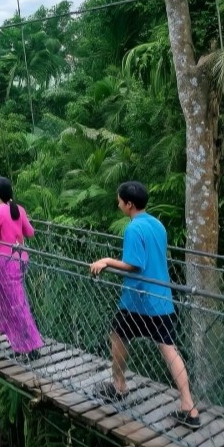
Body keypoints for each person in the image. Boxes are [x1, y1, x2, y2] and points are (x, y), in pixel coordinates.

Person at [89, 181, 200, 429]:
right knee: (169, 350)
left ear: (129, 204)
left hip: (138, 300)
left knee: (117, 334)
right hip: (162, 298)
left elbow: (135, 264)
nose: (117, 203)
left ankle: (119, 386)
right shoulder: (157, 224)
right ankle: (189, 406)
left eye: (119, 200)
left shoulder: (133, 229)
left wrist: (106, 260)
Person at [0, 177, 43, 356]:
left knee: (16, 303)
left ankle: (29, 346)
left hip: (6, 261)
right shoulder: (19, 209)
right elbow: (30, 232)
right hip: (21, 259)